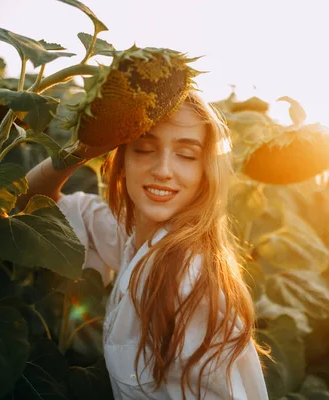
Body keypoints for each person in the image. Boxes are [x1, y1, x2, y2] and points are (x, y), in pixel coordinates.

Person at [17, 91, 269, 399]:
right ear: (121, 161)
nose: (163, 169)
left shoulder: (189, 280)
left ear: (205, 172)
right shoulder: (131, 233)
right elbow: (34, 201)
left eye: (187, 155)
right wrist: (84, 147)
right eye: (145, 148)